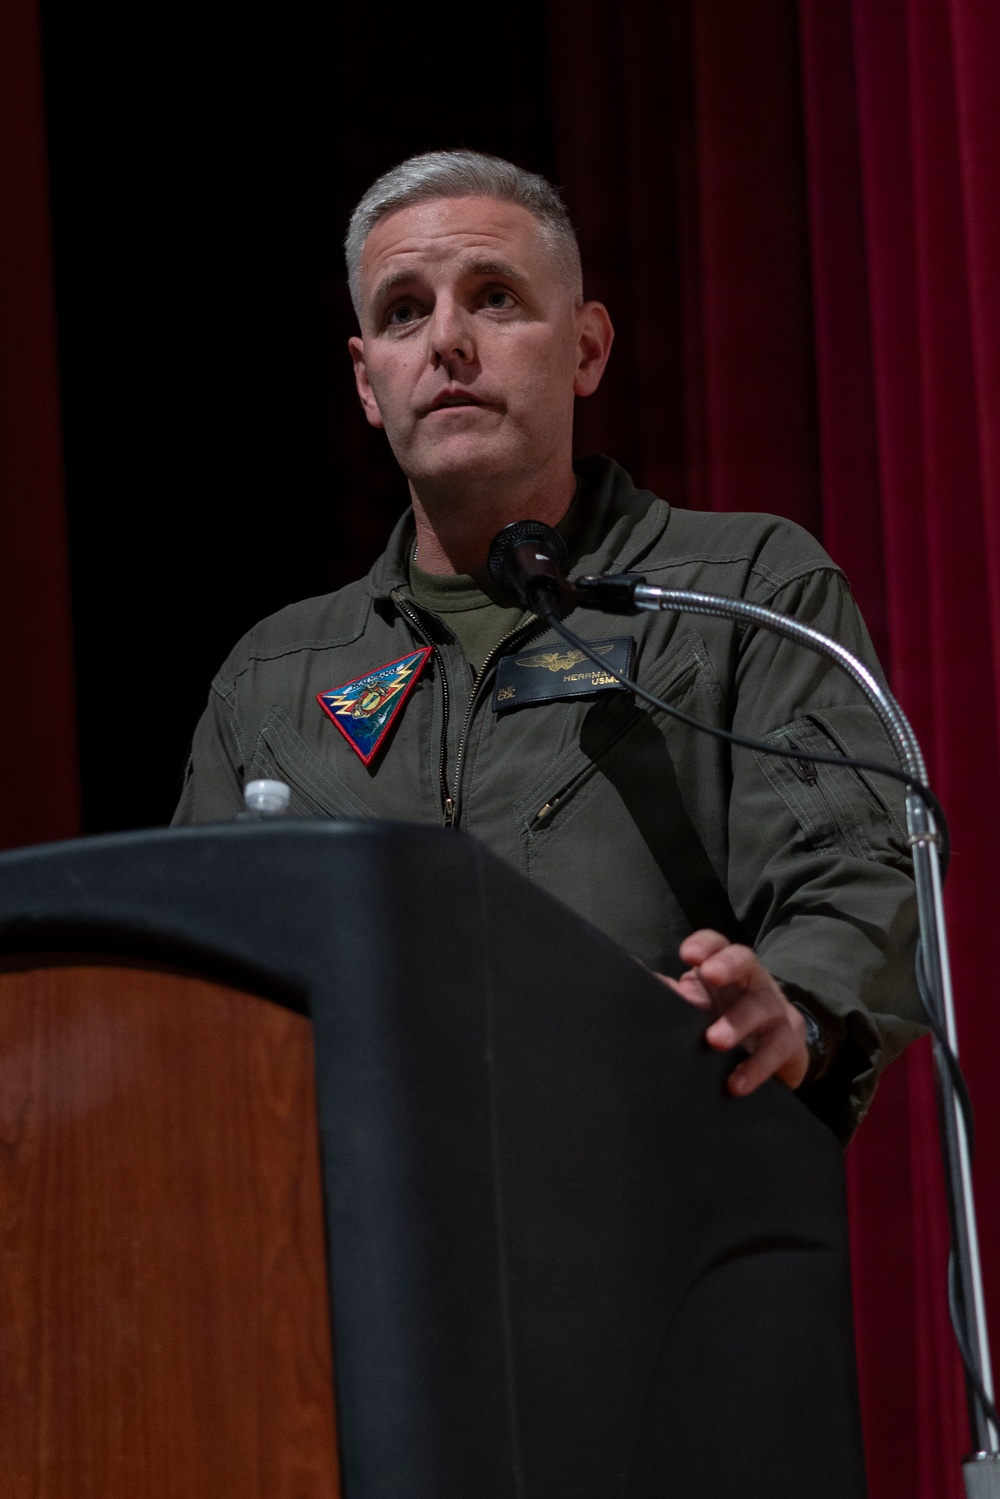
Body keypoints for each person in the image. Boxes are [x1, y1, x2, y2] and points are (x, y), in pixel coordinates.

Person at [174, 149, 923, 1145]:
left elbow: (859, 871)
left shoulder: (743, 592)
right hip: (338, 1246)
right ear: (365, 380)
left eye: (493, 298)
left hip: (658, 1207)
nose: (446, 340)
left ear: (585, 346)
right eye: (403, 309)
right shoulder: (273, 677)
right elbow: (184, 981)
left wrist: (789, 1005)